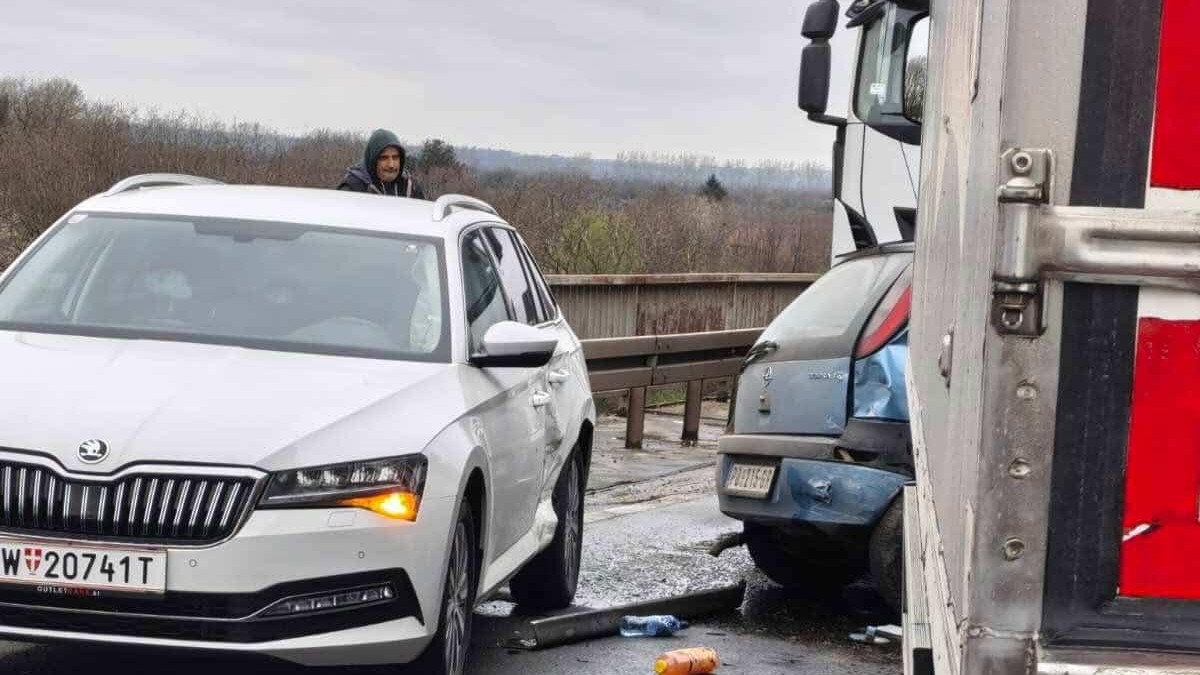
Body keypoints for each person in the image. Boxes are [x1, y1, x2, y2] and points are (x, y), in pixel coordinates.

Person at [337, 129, 426, 198]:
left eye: (395, 158)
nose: (391, 164)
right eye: (384, 158)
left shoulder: (411, 188)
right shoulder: (352, 189)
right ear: (373, 160)